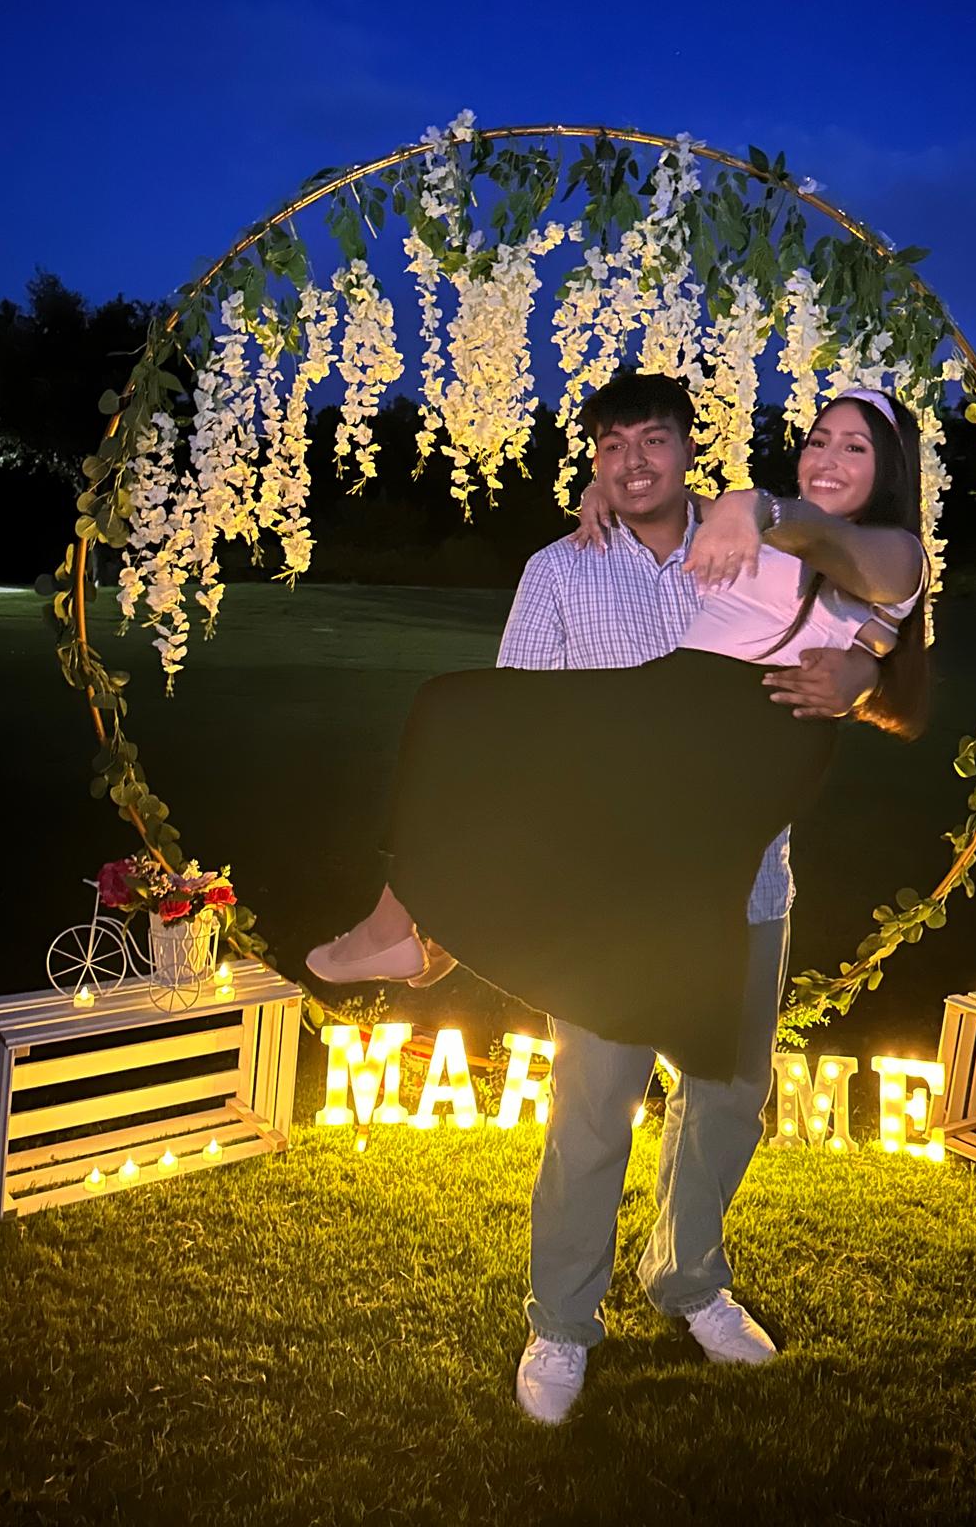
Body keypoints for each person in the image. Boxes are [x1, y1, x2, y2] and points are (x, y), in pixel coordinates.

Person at [308, 372, 926, 1421]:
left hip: (744, 870)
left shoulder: (750, 527)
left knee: (726, 1099)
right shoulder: (566, 565)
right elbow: (525, 736)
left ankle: (690, 1280)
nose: (633, 463)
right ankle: (560, 1320)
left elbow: (886, 627)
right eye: (611, 448)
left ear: (694, 450)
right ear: (593, 461)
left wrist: (858, 670)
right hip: (609, 885)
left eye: (854, 447)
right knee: (594, 1103)